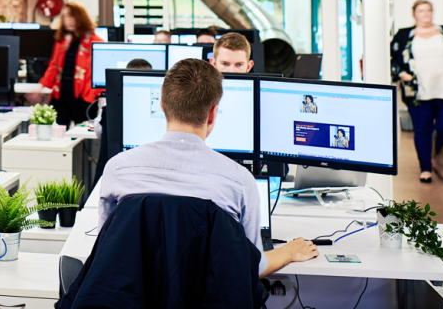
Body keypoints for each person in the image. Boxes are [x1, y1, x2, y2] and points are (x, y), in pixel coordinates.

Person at [99, 59, 317, 276]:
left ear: (162, 106)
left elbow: (106, 253)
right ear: (213, 114)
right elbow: (252, 266)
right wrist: (288, 252)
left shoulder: (117, 169)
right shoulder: (240, 181)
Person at [391, 0, 443, 183]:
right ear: (415, 14)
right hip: (418, 92)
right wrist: (402, 74)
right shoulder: (404, 35)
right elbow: (393, 59)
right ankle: (426, 167)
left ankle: (436, 158)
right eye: (421, 11)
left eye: (429, 10)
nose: (426, 14)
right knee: (423, 130)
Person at [39, 2, 104, 128]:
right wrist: (41, 86)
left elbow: (98, 72)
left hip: (82, 98)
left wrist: (90, 97)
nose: (66, 20)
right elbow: (54, 66)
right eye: (64, 17)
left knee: (82, 137)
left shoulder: (96, 42)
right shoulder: (62, 41)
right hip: (61, 96)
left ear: (80, 17)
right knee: (59, 133)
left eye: (70, 15)